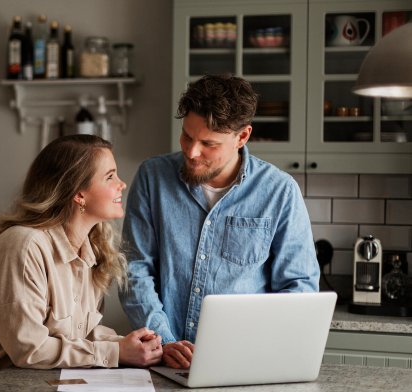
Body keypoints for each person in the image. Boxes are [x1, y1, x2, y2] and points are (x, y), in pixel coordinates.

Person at [0, 135, 162, 391]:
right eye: (110, 176)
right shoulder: (23, 246)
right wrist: (115, 352)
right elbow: (29, 348)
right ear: (79, 194)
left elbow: (77, 334)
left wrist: (137, 346)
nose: (122, 184)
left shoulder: (88, 252)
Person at [119, 74, 319, 369]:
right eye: (187, 135)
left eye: (208, 143)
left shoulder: (279, 191)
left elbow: (298, 287)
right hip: (163, 361)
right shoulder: (152, 177)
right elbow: (133, 269)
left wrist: (254, 345)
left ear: (242, 137)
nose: (192, 151)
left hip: (244, 362)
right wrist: (165, 340)